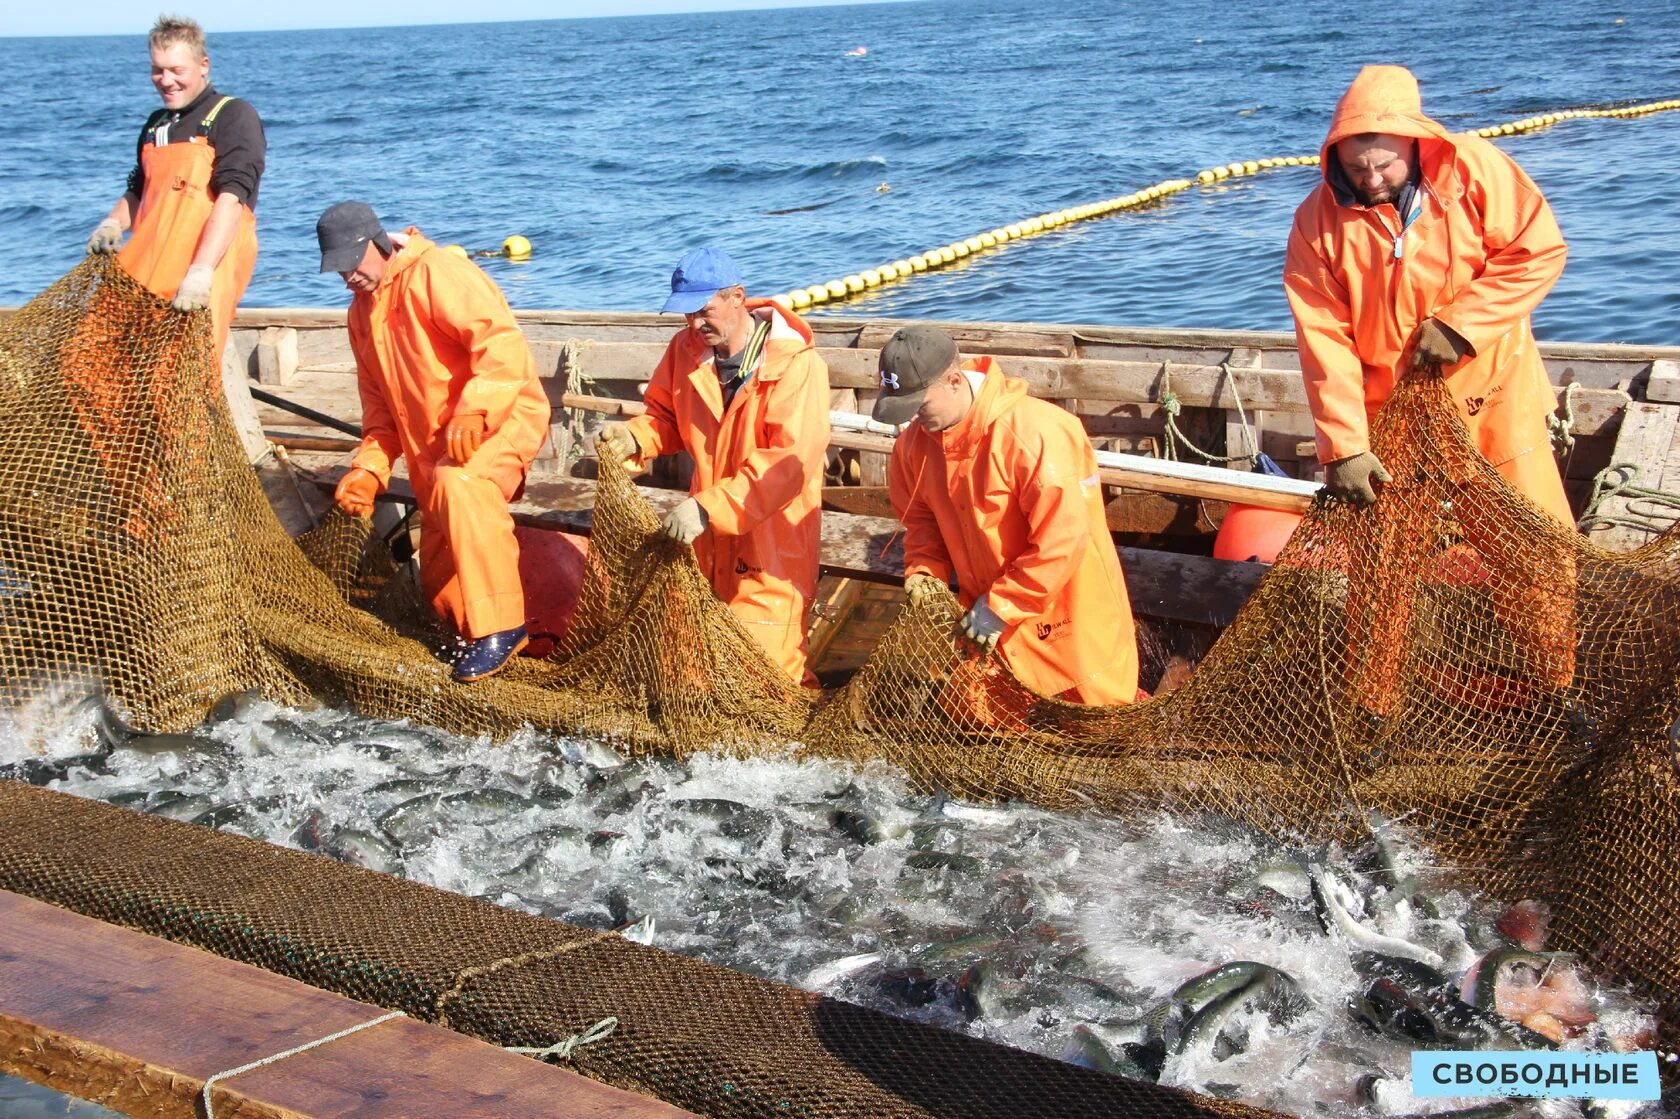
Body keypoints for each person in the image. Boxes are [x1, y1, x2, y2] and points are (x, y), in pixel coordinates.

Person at [1284, 63, 1570, 525]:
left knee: (1534, 547)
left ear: (1415, 147)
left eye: (1383, 166)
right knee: (1382, 566)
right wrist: (1344, 448)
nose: (1372, 180)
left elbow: (1536, 253)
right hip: (1392, 421)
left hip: (1494, 399)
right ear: (1335, 157)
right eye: (1357, 168)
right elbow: (1323, 340)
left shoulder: (1475, 169)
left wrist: (1462, 325)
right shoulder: (1315, 222)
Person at [317, 202, 550, 683]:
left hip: (503, 420)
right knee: (441, 572)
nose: (346, 279)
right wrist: (369, 468)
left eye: (350, 264)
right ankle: (472, 645)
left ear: (375, 244)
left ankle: (503, 628)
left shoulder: (438, 271)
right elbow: (379, 410)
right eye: (337, 269)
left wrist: (476, 408)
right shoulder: (360, 314)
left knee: (460, 483)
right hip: (434, 451)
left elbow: (501, 347)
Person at [594, 248, 830, 685]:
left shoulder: (797, 365)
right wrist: (635, 436)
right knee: (688, 669)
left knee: (766, 675)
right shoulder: (685, 350)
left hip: (773, 542)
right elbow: (664, 417)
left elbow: (787, 466)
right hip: (703, 541)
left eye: (704, 312)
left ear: (737, 297)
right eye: (685, 315)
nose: (694, 325)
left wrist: (706, 509)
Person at [874, 326, 1139, 707]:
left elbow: (1061, 542)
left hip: (1067, 623)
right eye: (903, 407)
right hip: (985, 624)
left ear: (953, 381)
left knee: (1099, 727)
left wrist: (1000, 608)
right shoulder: (911, 447)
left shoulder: (1037, 432)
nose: (912, 418)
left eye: (919, 404)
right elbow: (920, 525)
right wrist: (923, 572)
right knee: (974, 724)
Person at [86, 15, 265, 364]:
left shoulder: (232, 115)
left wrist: (200, 273)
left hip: (199, 275)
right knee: (92, 359)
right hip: (146, 268)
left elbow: (232, 199)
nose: (166, 81)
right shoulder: (156, 125)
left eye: (176, 70)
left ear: (203, 65)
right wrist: (110, 223)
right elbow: (139, 190)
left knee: (176, 374)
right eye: (157, 70)